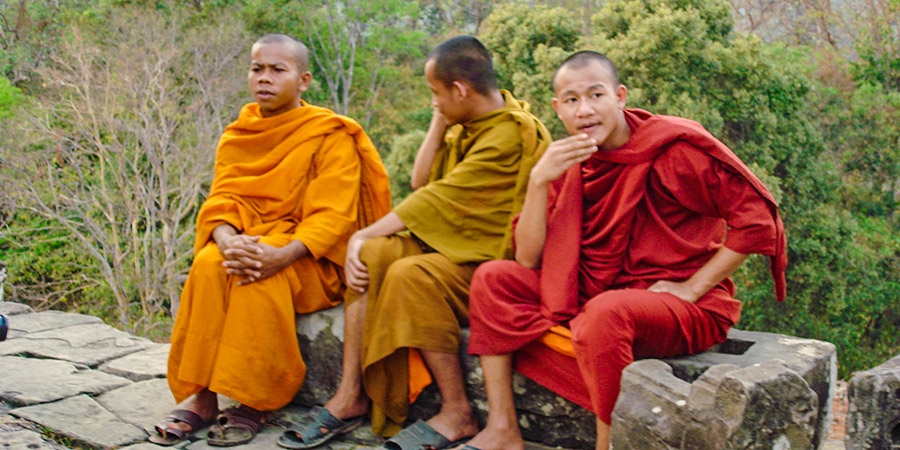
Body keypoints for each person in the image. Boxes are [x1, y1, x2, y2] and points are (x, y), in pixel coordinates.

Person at [462, 51, 787, 450]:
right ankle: (502, 428)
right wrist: (538, 182)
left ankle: (610, 442)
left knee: (605, 315)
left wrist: (692, 288)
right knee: (493, 280)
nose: (585, 110)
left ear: (619, 96)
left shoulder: (671, 149)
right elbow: (527, 259)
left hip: (677, 306)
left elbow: (758, 221)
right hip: (595, 295)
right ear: (557, 108)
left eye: (596, 95)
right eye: (571, 100)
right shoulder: (568, 160)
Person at [277, 36, 550, 450]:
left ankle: (458, 411)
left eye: (436, 94)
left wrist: (365, 231)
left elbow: (435, 199)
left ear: (460, 90)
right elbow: (422, 179)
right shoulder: (468, 123)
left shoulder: (509, 135)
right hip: (457, 244)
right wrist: (440, 120)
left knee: (409, 273)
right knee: (373, 255)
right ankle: (350, 394)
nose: (433, 101)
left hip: (493, 259)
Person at [150, 33, 391, 447]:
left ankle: (253, 402)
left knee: (257, 279)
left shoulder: (330, 135)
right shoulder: (238, 134)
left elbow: (333, 217)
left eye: (278, 70)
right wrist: (225, 240)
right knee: (209, 265)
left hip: (308, 257)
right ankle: (203, 396)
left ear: (303, 80)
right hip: (249, 243)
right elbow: (222, 200)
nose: (265, 78)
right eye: (257, 68)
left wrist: (282, 255)